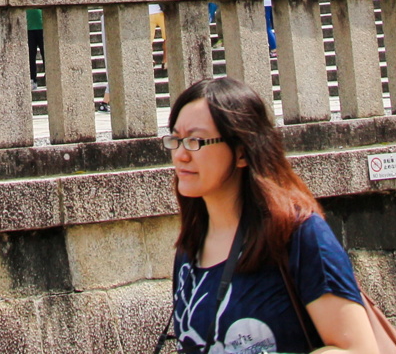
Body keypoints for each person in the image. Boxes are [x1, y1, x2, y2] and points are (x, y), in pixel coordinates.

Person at [162, 77, 378, 354]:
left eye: (195, 141)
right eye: (176, 140)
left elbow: (360, 349)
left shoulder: (298, 235)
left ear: (241, 152)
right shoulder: (189, 250)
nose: (180, 154)